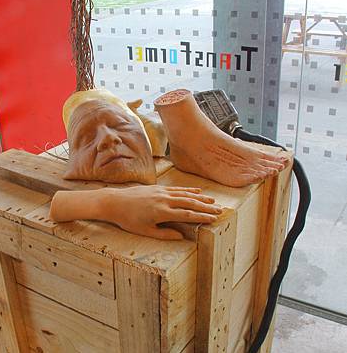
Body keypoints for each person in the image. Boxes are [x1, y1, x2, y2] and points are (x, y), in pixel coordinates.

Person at [49, 88, 290, 240]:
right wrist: (108, 203)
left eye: (120, 125)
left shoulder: (151, 136)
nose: (107, 139)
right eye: (86, 137)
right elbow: (56, 205)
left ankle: (187, 143)